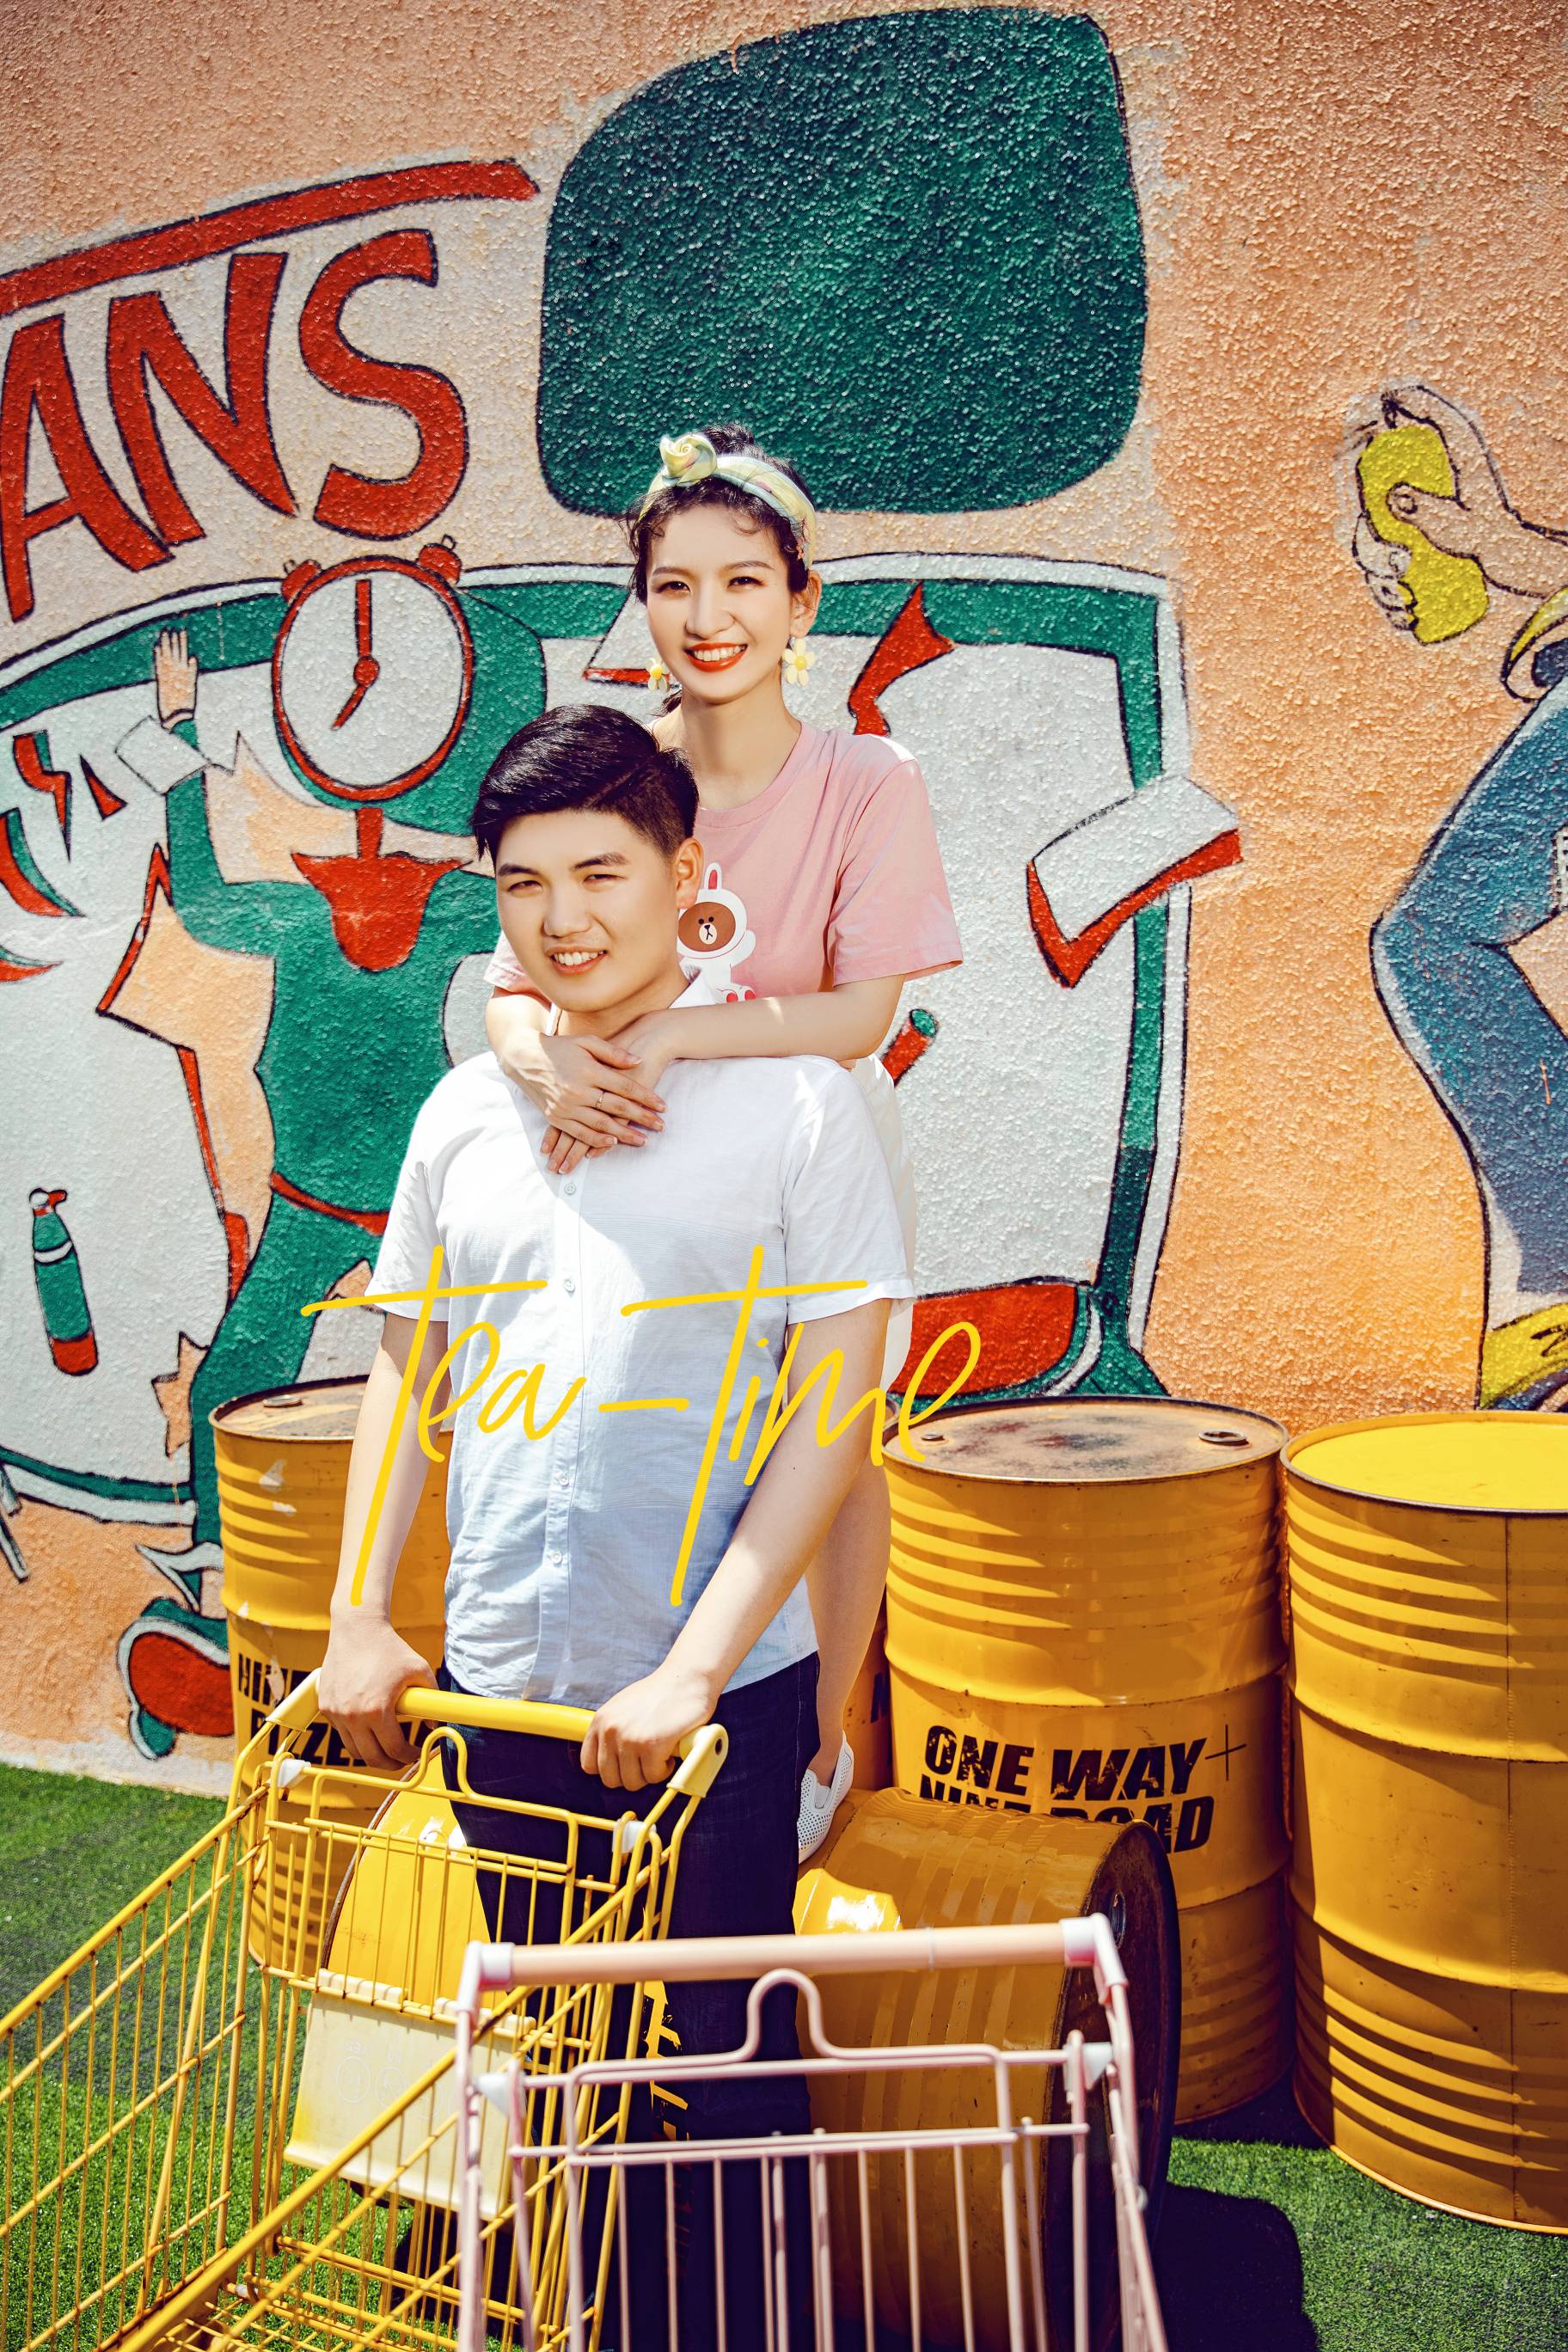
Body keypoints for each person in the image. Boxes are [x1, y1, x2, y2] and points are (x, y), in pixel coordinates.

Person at [318, 702, 911, 2340]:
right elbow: (407, 1374)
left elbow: (835, 1416)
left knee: (719, 2093)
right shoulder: (463, 1114)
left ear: (686, 874)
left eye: (602, 872)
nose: (564, 918)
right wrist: (360, 1611)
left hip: (706, 1714)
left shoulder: (799, 1106)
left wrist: (699, 1670)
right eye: (524, 885)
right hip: (500, 1697)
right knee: (572, 2064)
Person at [485, 423, 962, 1856]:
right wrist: (549, 1069)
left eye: (745, 582)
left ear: (802, 602)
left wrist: (684, 1037)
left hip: (810, 1147)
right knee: (643, 1405)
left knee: (833, 1439)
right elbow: (512, 990)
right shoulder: (617, 767)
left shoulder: (867, 779)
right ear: (641, 600)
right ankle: (642, 1693)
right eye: (674, 584)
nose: (709, 617)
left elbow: (862, 1014)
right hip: (628, 1141)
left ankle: (823, 1733)